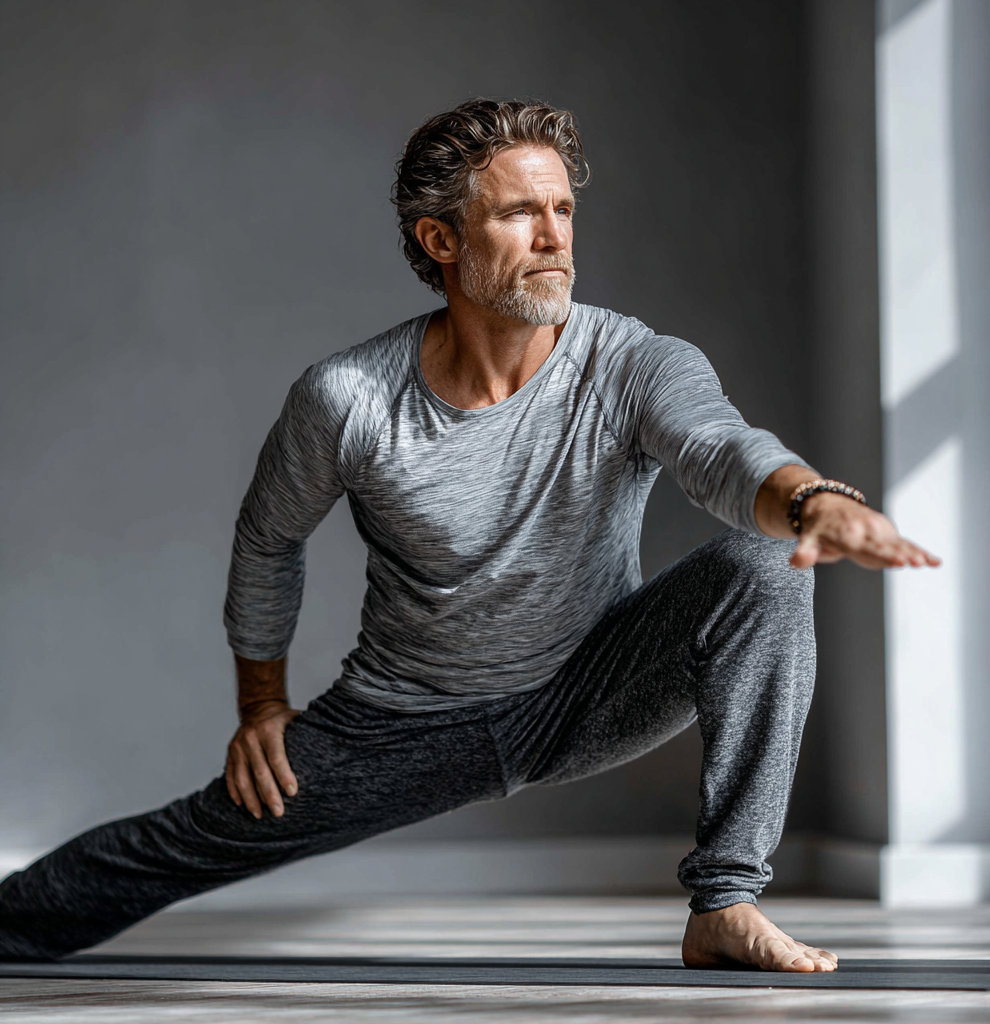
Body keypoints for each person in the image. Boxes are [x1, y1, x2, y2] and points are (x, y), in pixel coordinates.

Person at [0, 99, 937, 971]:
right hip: (404, 722)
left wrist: (814, 500)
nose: (553, 238)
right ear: (440, 239)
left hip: (587, 687)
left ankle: (724, 903)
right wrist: (261, 707)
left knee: (766, 561)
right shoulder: (349, 399)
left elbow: (722, 452)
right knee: (177, 845)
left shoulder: (635, 362)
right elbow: (267, 543)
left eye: (563, 210)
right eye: (519, 214)